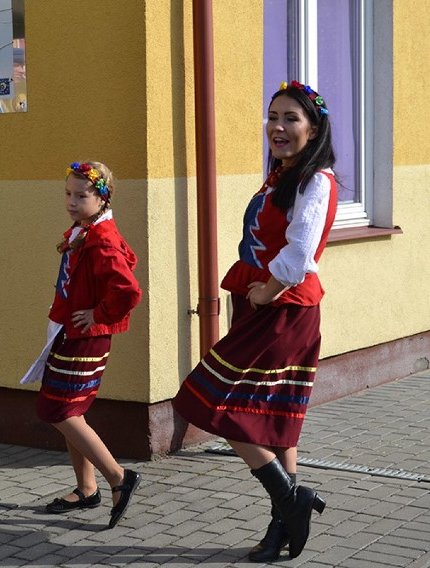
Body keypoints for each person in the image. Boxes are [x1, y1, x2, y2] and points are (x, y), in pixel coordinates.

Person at [172, 81, 338, 560]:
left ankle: (291, 500)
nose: (278, 127)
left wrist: (270, 287)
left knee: (216, 404)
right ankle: (284, 520)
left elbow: (302, 248)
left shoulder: (315, 180)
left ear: (313, 128)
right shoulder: (284, 175)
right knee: (273, 421)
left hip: (283, 310)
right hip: (264, 306)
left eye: (291, 118)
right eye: (273, 116)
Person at [21, 161, 142, 529]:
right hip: (69, 332)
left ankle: (119, 478)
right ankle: (87, 488)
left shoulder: (101, 240)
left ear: (101, 199)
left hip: (84, 339)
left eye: (81, 196)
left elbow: (128, 290)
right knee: (70, 409)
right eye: (68, 194)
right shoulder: (86, 230)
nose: (72, 202)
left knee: (59, 410)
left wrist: (98, 313)